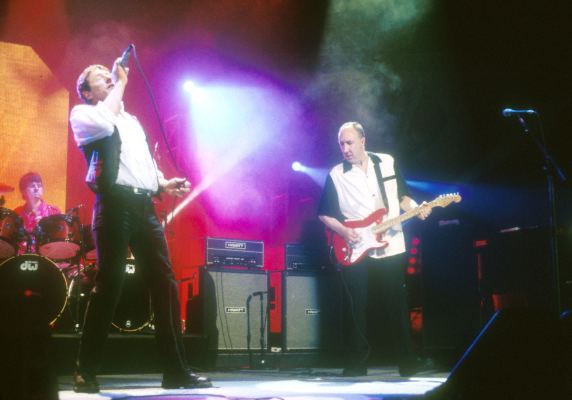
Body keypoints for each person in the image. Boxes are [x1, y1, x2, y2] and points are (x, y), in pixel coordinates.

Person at [69, 58, 211, 393]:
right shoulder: (84, 114)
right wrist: (120, 82)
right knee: (110, 284)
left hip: (144, 206)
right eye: (99, 77)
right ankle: (84, 371)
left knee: (165, 283)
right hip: (114, 204)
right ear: (87, 93)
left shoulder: (131, 120)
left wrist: (161, 183)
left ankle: (175, 370)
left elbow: (141, 162)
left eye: (109, 73)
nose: (108, 75)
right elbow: (105, 125)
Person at [318, 121, 431, 377]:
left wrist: (417, 208)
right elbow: (324, 214)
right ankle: (357, 364)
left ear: (363, 140)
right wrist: (346, 232)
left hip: (390, 244)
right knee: (356, 306)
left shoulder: (387, 162)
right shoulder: (336, 174)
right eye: (341, 144)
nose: (345, 148)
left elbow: (402, 197)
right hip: (355, 246)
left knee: (398, 304)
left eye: (350, 142)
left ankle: (408, 362)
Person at [13, 172, 61, 253]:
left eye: (39, 186)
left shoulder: (54, 212)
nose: (36, 188)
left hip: (47, 257)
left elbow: (60, 241)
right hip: (21, 258)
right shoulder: (17, 213)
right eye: (32, 186)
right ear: (23, 191)